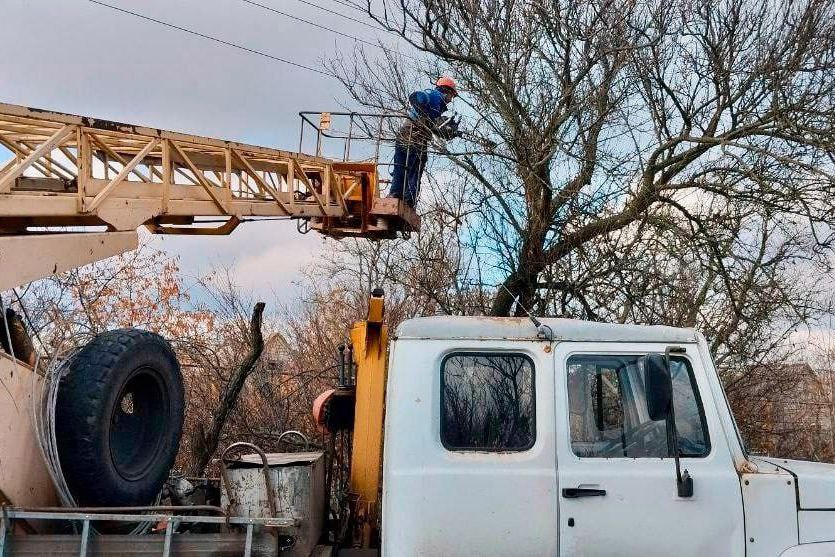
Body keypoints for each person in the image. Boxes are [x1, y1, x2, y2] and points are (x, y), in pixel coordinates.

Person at [389, 77, 461, 207]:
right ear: (446, 91)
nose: (451, 100)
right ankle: (408, 200)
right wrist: (421, 105)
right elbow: (418, 97)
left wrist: (450, 130)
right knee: (414, 168)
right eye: (452, 95)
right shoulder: (434, 96)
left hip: (406, 133)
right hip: (415, 136)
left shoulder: (437, 105)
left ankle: (395, 194)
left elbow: (434, 126)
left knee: (401, 165)